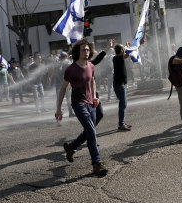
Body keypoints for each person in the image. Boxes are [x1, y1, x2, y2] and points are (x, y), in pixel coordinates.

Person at [57, 38, 108, 177]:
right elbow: (63, 89)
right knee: (91, 131)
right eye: (83, 50)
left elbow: (92, 81)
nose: (86, 52)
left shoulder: (91, 66)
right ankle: (96, 163)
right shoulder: (71, 69)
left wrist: (95, 97)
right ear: (77, 52)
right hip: (78, 104)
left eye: (87, 50)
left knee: (89, 130)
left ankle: (71, 147)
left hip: (91, 103)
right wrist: (58, 108)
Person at [113, 27, 145, 131]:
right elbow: (128, 53)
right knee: (122, 104)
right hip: (119, 84)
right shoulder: (117, 58)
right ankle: (121, 124)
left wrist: (127, 46)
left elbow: (127, 52)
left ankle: (122, 122)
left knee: (123, 103)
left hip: (120, 83)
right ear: (121, 50)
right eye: (123, 49)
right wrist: (137, 44)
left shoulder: (117, 57)